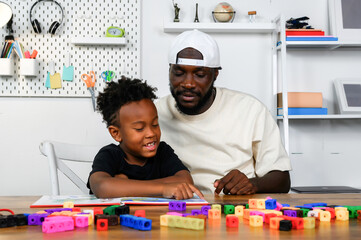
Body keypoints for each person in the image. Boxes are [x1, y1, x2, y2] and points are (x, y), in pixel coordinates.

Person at [156, 29, 292, 195]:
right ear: (169, 71)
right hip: (176, 207)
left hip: (235, 207)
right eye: (179, 73)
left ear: (215, 74)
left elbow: (282, 180)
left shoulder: (250, 110)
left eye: (199, 74)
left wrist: (252, 184)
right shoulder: (153, 113)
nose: (188, 83)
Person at [87, 76, 204, 200]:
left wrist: (124, 186)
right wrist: (164, 189)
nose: (151, 133)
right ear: (116, 133)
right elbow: (102, 186)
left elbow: (185, 181)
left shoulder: (162, 152)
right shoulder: (110, 155)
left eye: (155, 124)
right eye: (139, 128)